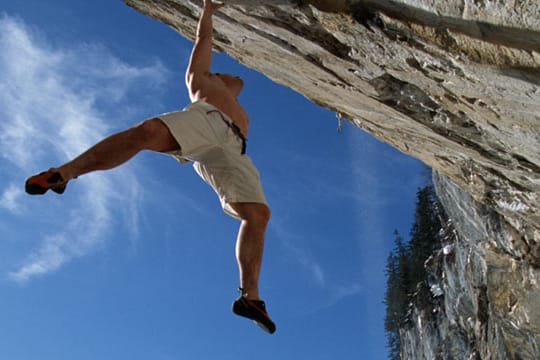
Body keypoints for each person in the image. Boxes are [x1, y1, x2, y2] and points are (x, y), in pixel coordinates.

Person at [24, 0, 276, 334]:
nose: (234, 77)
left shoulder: (236, 101)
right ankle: (64, 173)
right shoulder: (201, 81)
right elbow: (203, 43)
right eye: (225, 74)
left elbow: (240, 81)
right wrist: (208, 11)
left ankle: (251, 297)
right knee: (148, 133)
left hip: (234, 147)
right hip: (206, 122)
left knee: (257, 215)